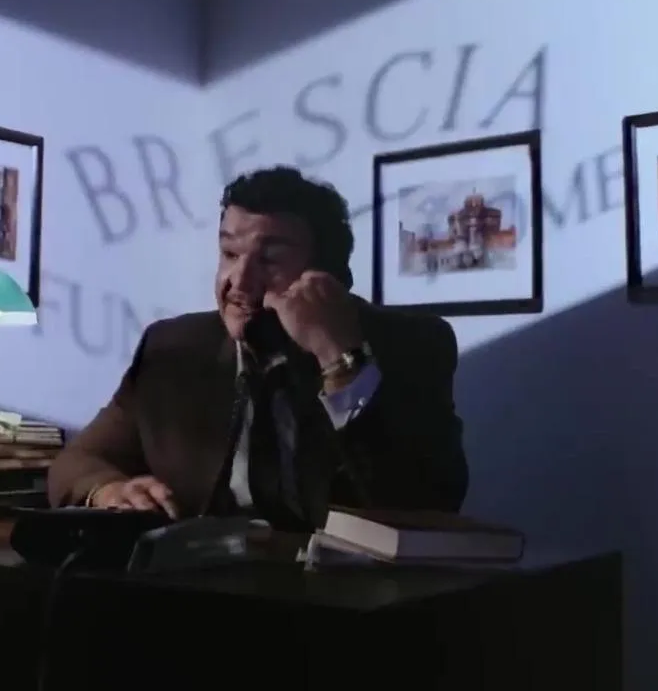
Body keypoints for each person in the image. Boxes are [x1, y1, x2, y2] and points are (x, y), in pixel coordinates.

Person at [48, 166, 469, 531]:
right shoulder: (173, 348)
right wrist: (109, 490)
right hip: (194, 580)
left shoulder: (412, 344)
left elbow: (430, 499)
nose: (239, 281)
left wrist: (341, 359)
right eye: (229, 253)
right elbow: (78, 461)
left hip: (345, 587)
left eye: (269, 260)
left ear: (327, 276)